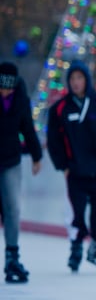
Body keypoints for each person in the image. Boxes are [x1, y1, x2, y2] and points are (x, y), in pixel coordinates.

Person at [46, 60, 96, 273]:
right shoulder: (60, 108)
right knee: (75, 212)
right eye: (72, 79)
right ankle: (76, 247)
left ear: (86, 80)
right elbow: (54, 141)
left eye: (80, 78)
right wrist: (63, 166)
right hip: (75, 171)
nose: (76, 82)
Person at [0, 62, 42, 283]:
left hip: (11, 161)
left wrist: (36, 156)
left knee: (13, 208)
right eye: (1, 88)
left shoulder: (20, 99)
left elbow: (27, 126)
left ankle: (12, 256)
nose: (5, 92)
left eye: (8, 88)